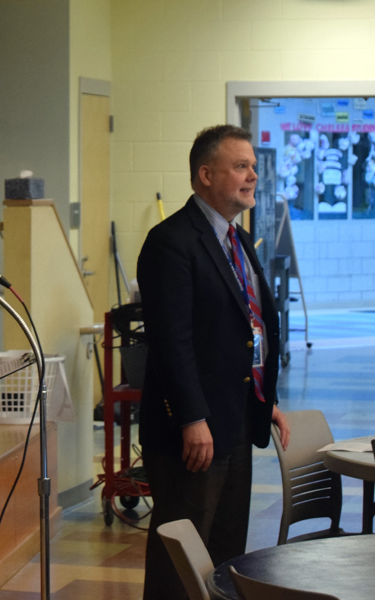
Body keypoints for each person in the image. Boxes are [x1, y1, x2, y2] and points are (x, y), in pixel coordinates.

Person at [136, 125, 291, 600]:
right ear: (205, 175)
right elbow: (171, 343)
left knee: (225, 553)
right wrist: (192, 417)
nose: (252, 178)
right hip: (194, 431)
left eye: (253, 168)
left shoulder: (236, 240)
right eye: (240, 166)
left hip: (235, 420)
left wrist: (266, 399)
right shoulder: (172, 242)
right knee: (180, 559)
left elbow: (249, 327)